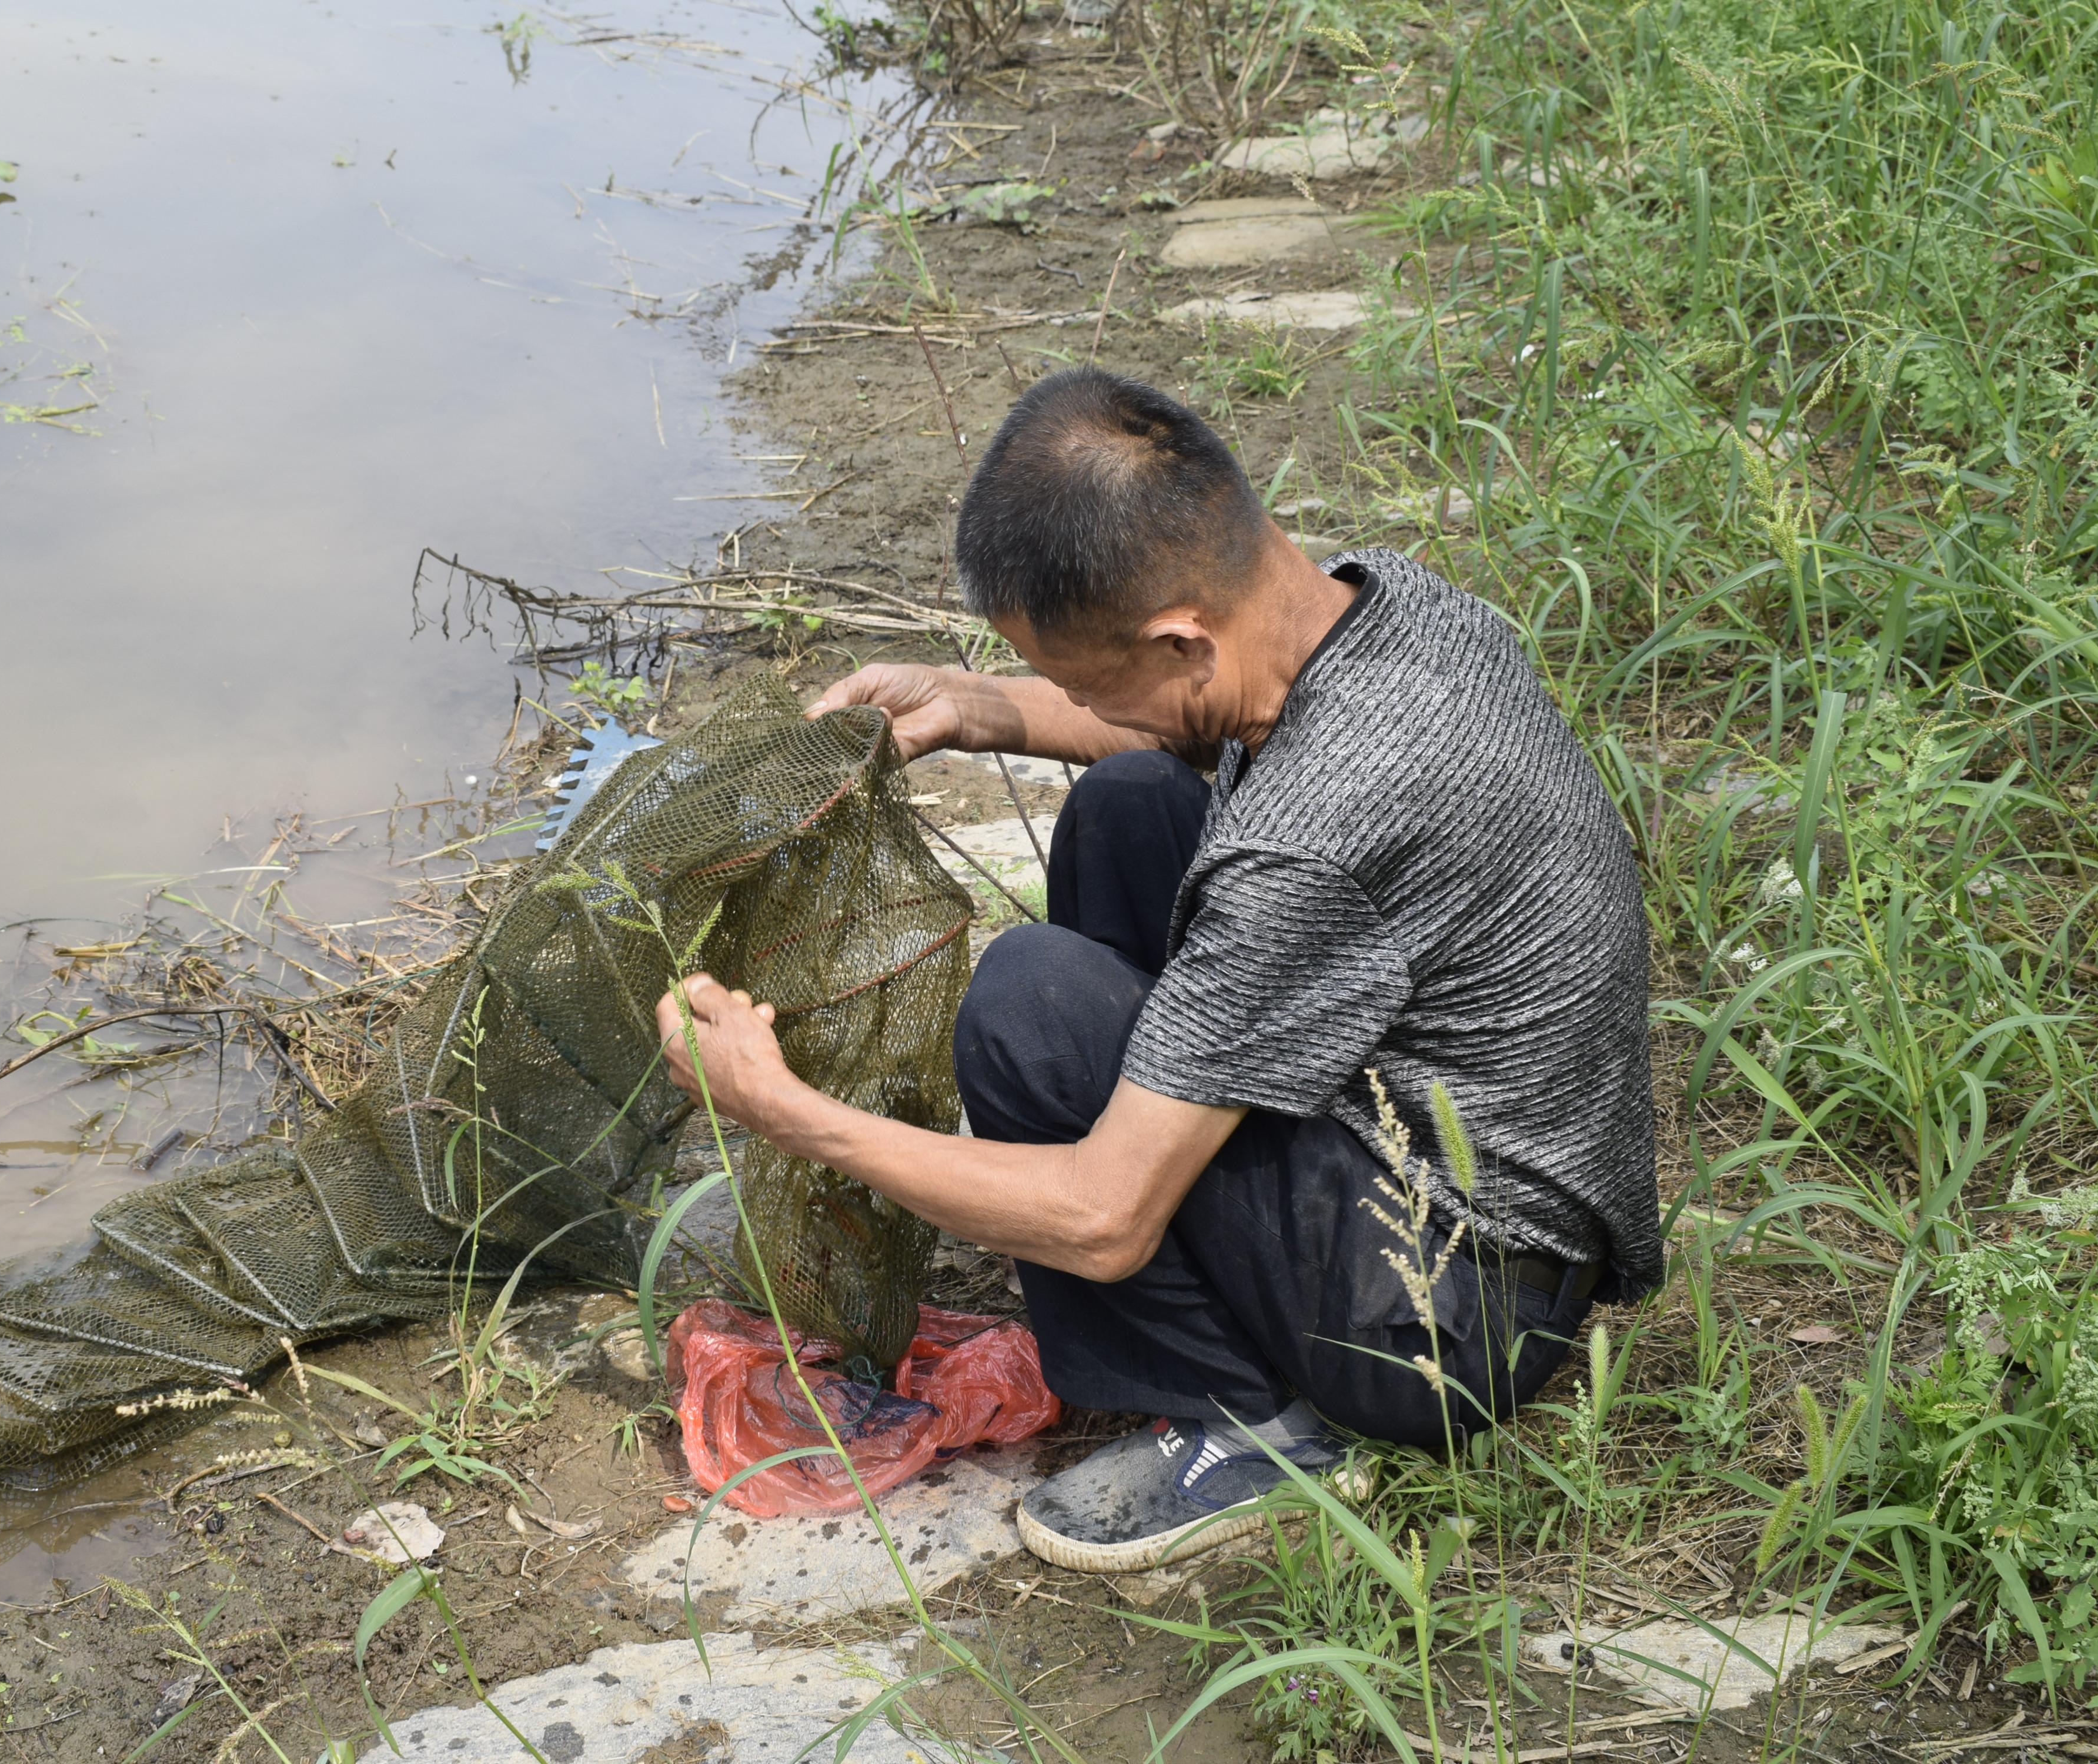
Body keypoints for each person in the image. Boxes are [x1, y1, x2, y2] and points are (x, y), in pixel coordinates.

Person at [653, 366, 1660, 1574]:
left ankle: (1249, 1424)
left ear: (1181, 635)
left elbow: (1100, 1217)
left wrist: (785, 1112)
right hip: (1490, 1182)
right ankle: (1222, 1322)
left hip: (1444, 1320)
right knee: (1132, 803)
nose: (1074, 702)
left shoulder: (1310, 842)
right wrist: (981, 707)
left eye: (1083, 681)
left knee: (1029, 1003)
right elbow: (1173, 717)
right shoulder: (1380, 602)